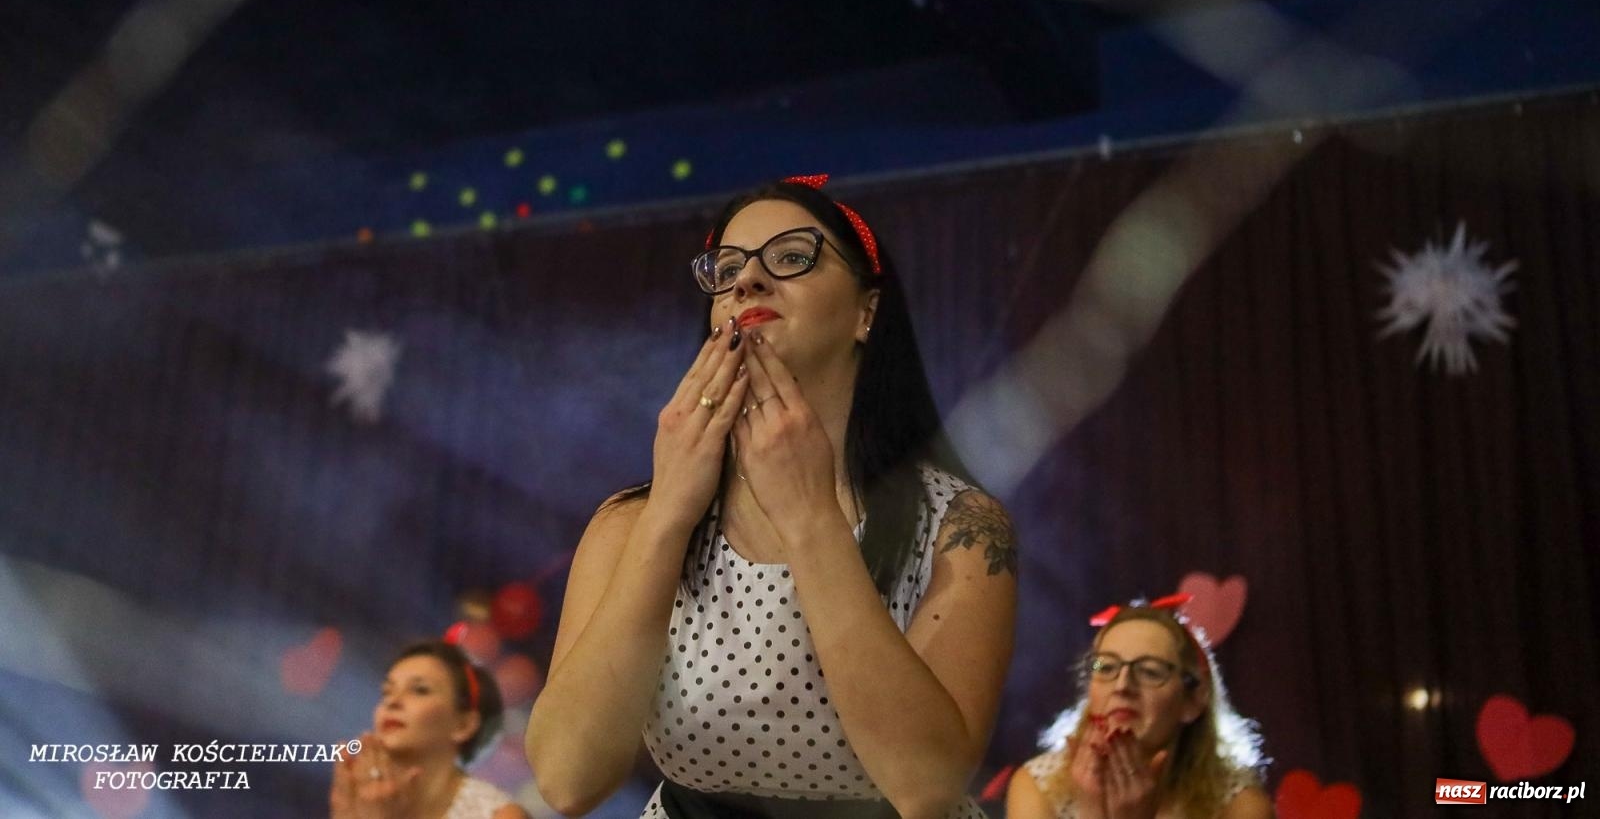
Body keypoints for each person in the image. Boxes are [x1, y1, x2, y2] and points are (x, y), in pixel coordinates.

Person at [527, 174, 1018, 819]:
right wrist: (669, 512)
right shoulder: (630, 523)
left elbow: (924, 786)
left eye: (791, 257)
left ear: (867, 311)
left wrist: (809, 517)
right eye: (728, 269)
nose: (748, 282)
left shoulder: (960, 528)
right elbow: (567, 779)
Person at [1005, 600, 1272, 819]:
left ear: (1193, 701)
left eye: (1150, 672)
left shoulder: (1240, 806)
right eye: (1106, 667)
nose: (1122, 686)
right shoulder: (1038, 786)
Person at [331, 639, 528, 819]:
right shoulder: (357, 796)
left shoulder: (500, 815)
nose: (393, 701)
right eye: (387, 692)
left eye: (420, 690)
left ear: (463, 725)